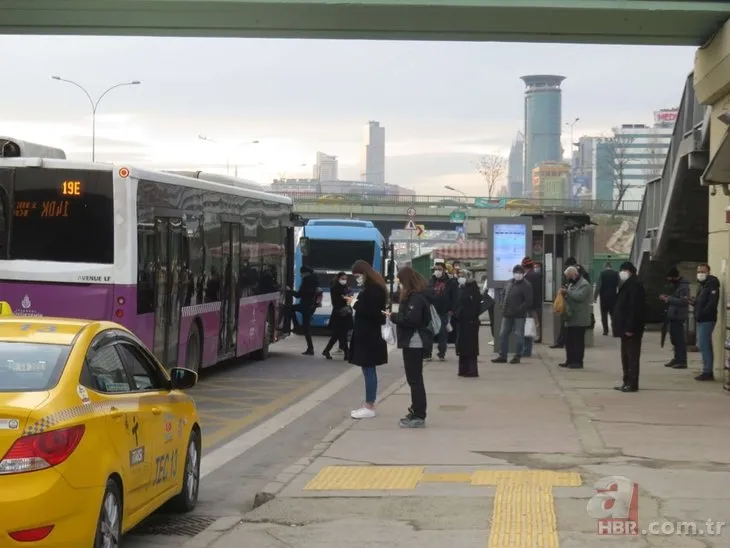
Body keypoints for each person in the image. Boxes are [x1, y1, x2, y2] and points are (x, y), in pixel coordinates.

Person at [387, 266, 432, 428]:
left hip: (414, 342)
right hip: (413, 341)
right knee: (414, 378)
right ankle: (416, 410)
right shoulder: (416, 297)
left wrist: (393, 317)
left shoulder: (416, 298)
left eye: (400, 281)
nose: (399, 285)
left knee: (415, 379)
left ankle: (419, 414)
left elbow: (411, 320)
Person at [347, 259, 389, 419]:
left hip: (369, 337)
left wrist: (355, 304)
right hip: (368, 336)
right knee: (368, 370)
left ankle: (369, 405)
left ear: (365, 273)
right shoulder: (374, 288)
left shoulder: (374, 290)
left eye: (358, 275)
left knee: (369, 370)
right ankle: (368, 404)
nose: (357, 278)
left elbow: (372, 312)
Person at [613, 261, 646, 392]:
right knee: (625, 356)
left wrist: (630, 328)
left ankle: (632, 383)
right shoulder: (628, 284)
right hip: (625, 328)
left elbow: (635, 309)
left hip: (631, 329)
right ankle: (626, 381)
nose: (621, 273)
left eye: (623, 270)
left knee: (632, 357)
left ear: (629, 271)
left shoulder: (635, 285)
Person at [492, 264, 533, 364]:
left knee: (519, 336)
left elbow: (529, 301)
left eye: (520, 273)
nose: (518, 275)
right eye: (516, 273)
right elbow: (503, 293)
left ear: (523, 274)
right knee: (503, 334)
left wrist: (519, 309)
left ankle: (517, 356)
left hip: (519, 315)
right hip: (507, 314)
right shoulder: (509, 282)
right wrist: (502, 304)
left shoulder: (526, 285)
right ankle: (503, 356)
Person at [550, 257, 590, 349]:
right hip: (570, 310)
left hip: (577, 312)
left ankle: (561, 343)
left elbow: (580, 296)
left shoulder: (582, 282)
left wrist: (567, 291)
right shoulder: (574, 280)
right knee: (569, 335)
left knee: (575, 338)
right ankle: (562, 345)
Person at [558, 265, 592, 369]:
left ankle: (578, 361)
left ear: (573, 274)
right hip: (570, 317)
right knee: (569, 341)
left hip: (580, 318)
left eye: (568, 276)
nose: (567, 278)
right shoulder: (572, 284)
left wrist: (567, 292)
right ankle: (569, 360)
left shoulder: (584, 284)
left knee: (578, 341)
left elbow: (579, 297)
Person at [423, 261, 457, 361]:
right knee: (429, 332)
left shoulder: (450, 282)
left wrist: (452, 309)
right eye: (436, 269)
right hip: (432, 310)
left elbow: (454, 296)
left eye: (439, 269)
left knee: (442, 333)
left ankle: (441, 353)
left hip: (444, 311)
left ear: (444, 270)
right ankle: (427, 353)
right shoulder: (431, 281)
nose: (437, 271)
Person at [693, 263, 720, 381]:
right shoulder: (703, 285)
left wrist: (702, 312)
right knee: (703, 345)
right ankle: (706, 369)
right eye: (699, 272)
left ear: (708, 272)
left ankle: (707, 371)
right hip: (701, 318)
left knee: (705, 345)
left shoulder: (712, 284)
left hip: (707, 319)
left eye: (703, 272)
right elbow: (701, 301)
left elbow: (712, 303)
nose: (700, 274)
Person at [660, 266, 690, 369]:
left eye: (670, 278)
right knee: (674, 339)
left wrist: (668, 299)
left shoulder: (684, 287)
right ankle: (677, 358)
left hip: (679, 315)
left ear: (675, 277)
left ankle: (682, 360)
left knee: (679, 339)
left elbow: (683, 301)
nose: (669, 280)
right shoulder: (675, 285)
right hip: (672, 315)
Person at [322, 272, 354, 360]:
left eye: (346, 279)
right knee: (341, 334)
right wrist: (345, 298)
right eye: (343, 278)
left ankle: (327, 350)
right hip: (339, 314)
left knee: (338, 334)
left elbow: (350, 294)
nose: (344, 280)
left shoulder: (345, 287)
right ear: (339, 278)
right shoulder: (335, 287)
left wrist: (348, 296)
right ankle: (347, 354)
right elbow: (336, 301)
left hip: (345, 313)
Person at [455, 269, 481, 377]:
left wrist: (469, 315)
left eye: (463, 276)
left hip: (470, 321)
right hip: (462, 321)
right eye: (459, 276)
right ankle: (463, 369)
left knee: (470, 346)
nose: (460, 278)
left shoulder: (473, 289)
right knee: (462, 346)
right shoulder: (461, 288)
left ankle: (472, 370)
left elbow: (475, 306)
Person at [289, 265, 318, 355]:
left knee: (288, 308)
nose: (301, 275)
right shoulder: (314, 280)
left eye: (301, 273)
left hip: (305, 306)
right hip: (310, 307)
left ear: (305, 273)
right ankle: (310, 348)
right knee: (306, 328)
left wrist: (289, 290)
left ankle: (296, 326)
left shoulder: (307, 281)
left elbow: (299, 295)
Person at [522, 257, 542, 357]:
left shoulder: (530, 277)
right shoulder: (534, 275)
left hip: (529, 306)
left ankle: (526, 350)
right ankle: (526, 349)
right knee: (528, 327)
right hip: (533, 305)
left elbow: (530, 293)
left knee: (527, 328)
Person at [595, 262, 620, 337]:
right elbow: (620, 285)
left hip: (604, 298)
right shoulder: (616, 274)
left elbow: (598, 286)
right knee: (613, 315)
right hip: (613, 297)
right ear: (611, 266)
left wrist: (595, 297)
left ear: (605, 266)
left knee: (604, 315)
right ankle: (615, 331)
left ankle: (605, 331)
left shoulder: (602, 274)